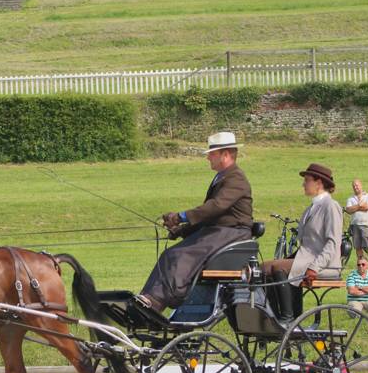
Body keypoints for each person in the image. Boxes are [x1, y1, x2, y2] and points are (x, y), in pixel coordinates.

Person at [136, 131, 253, 311]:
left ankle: (159, 300)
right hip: (219, 231)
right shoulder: (223, 176)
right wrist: (182, 230)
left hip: (233, 233)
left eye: (212, 154)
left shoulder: (236, 178)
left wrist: (180, 217)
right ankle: (149, 298)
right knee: (169, 254)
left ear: (225, 154)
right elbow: (210, 215)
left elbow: (215, 207)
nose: (208, 158)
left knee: (181, 255)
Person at [262, 163, 342, 288]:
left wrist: (314, 267)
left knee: (278, 268)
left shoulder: (331, 206)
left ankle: (290, 302)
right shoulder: (310, 208)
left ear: (318, 183)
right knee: (263, 268)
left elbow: (333, 243)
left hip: (325, 265)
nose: (303, 184)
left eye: (307, 180)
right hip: (305, 260)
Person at [345, 178, 368, 267]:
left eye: (357, 185)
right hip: (354, 225)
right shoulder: (350, 198)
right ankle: (361, 264)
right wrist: (359, 205)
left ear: (361, 185)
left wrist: (355, 208)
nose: (355, 187)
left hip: (366, 224)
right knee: (358, 246)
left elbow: (367, 207)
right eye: (354, 186)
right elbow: (348, 210)